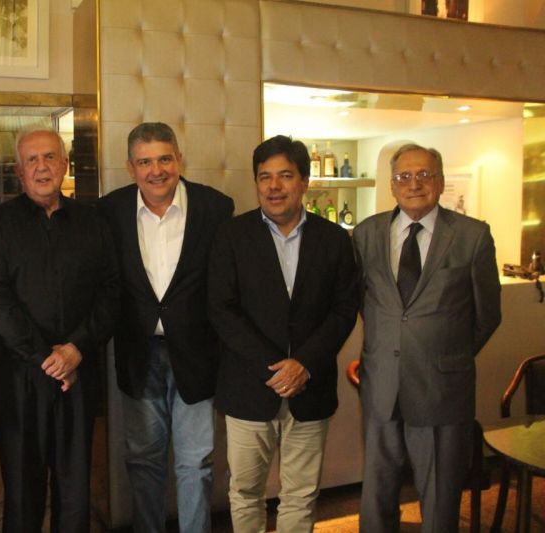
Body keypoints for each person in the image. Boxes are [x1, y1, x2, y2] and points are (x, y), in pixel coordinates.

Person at [208, 135, 358, 532]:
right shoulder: (232, 236)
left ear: (305, 181)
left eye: (285, 176)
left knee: (301, 494)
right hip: (248, 387)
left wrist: (304, 364)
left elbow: (344, 309)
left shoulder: (334, 239)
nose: (274, 186)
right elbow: (221, 309)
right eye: (265, 177)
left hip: (311, 387)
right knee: (245, 492)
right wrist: (274, 368)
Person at [0, 128, 119, 532]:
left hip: (79, 373)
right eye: (32, 160)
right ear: (19, 171)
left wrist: (76, 349)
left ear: (65, 165)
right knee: (23, 486)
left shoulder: (93, 222)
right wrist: (47, 358)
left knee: (76, 488)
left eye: (50, 157)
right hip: (21, 376)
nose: (42, 167)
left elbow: (111, 292)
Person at [353, 144, 501, 533]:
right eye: (403, 176)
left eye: (424, 175)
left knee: (439, 500)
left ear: (440, 180)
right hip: (382, 386)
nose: (414, 184)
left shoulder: (472, 236)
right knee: (376, 498)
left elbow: (487, 316)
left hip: (442, 389)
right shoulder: (366, 234)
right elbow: (364, 303)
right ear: (392, 185)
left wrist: (445, 355)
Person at [97, 122, 234, 533]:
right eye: (144, 162)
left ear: (179, 159)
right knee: (143, 460)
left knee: (196, 461)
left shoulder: (215, 207)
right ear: (130, 167)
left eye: (164, 159)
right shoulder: (109, 211)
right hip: (138, 354)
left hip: (197, 353)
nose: (156, 171)